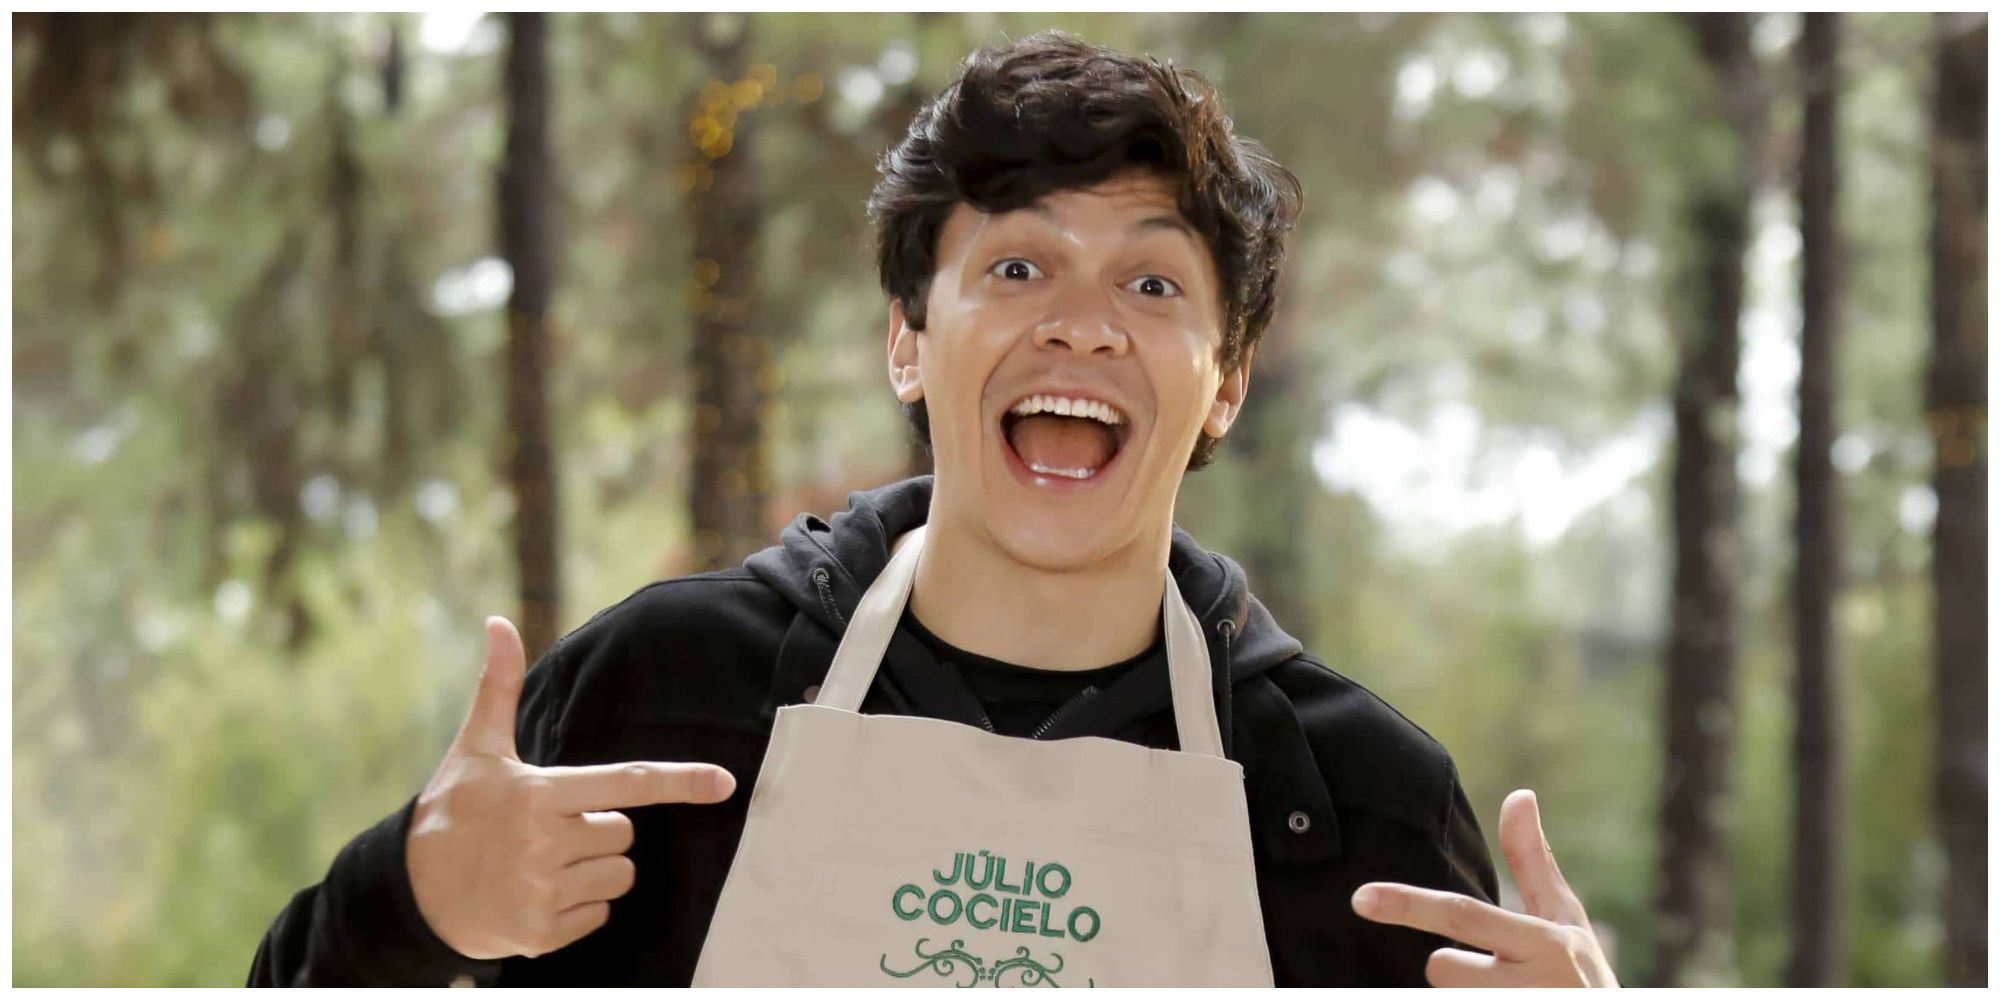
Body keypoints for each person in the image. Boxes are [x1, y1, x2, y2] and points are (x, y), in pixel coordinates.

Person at [248, 31, 1618, 987]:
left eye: (1151, 286)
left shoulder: (1360, 811)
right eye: (1019, 268)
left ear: (1226, 385)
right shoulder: (662, 701)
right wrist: (407, 908)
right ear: (908, 341)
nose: (1082, 325)